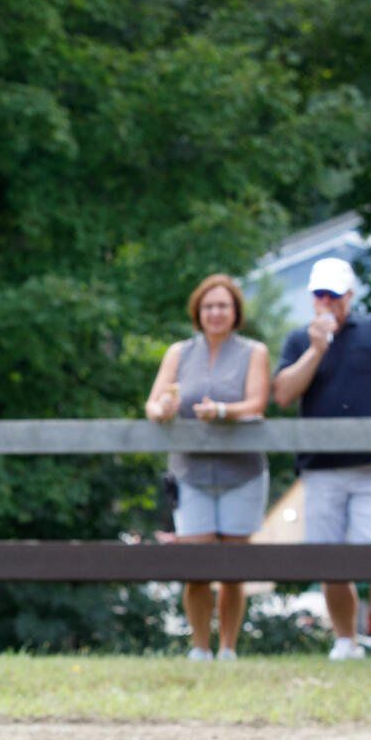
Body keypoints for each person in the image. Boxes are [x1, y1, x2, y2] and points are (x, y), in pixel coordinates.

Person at [272, 257, 371, 664]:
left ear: (349, 297)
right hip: (320, 469)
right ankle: (346, 641)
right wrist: (316, 349)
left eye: (334, 295)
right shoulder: (297, 340)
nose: (327, 302)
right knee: (331, 562)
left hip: (369, 466)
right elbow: (284, 394)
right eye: (320, 295)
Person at [144, 274, 271, 662]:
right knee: (195, 565)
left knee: (234, 566)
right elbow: (153, 404)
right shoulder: (179, 353)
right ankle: (199, 646)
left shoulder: (254, 352)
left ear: (236, 313)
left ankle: (228, 648)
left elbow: (256, 404)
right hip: (190, 474)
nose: (216, 313)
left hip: (242, 473)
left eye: (223, 306)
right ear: (198, 312)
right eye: (209, 306)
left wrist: (222, 412)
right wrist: (163, 410)